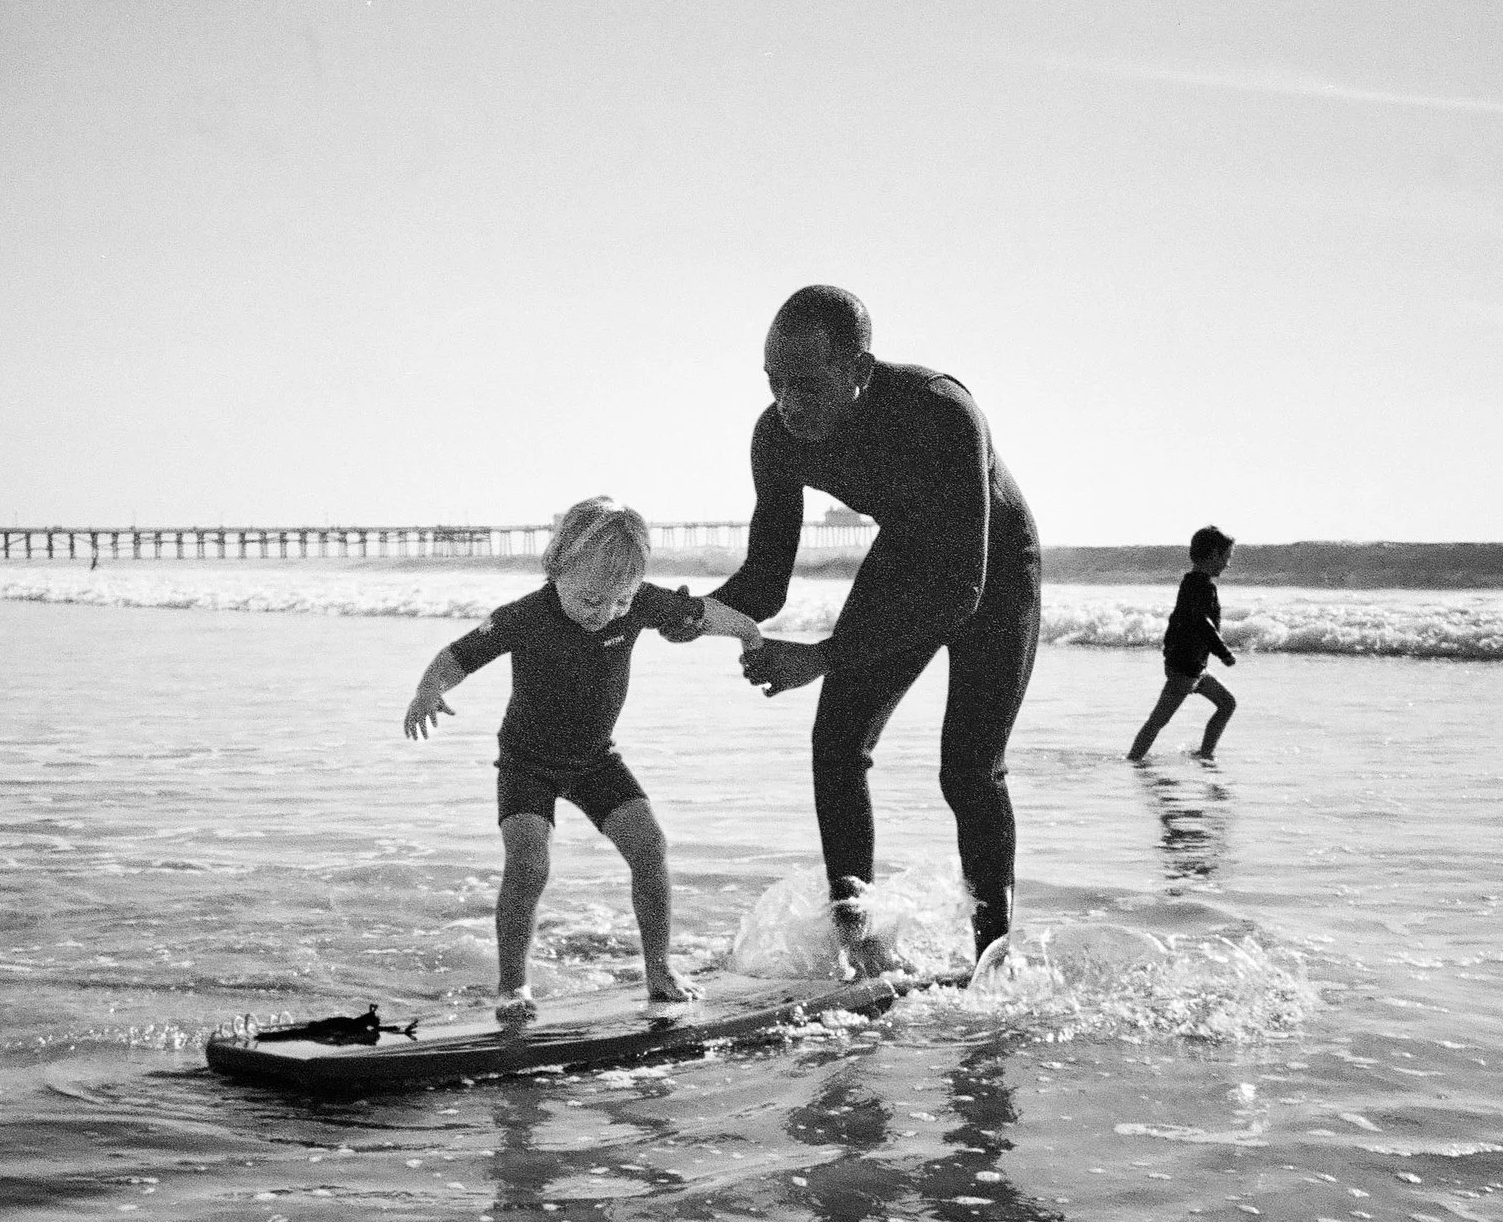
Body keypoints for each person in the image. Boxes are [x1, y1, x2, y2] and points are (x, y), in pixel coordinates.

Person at [673, 285, 1041, 975]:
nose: (787, 403)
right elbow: (766, 581)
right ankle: (858, 946)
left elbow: (962, 588)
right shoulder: (776, 438)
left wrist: (820, 656)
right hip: (907, 554)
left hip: (993, 569)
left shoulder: (941, 409)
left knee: (968, 769)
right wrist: (689, 612)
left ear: (859, 372)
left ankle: (994, 960)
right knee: (836, 741)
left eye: (807, 384)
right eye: (775, 383)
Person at [404, 496, 761, 1017]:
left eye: (620, 601)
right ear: (558, 569)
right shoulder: (525, 616)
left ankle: (659, 970)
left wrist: (748, 634)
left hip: (595, 760)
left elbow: (706, 613)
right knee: (528, 863)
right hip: (528, 763)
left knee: (650, 847)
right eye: (593, 599)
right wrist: (428, 689)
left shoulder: (638, 604)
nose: (606, 613)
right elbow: (457, 656)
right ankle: (512, 987)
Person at [1127, 526, 1238, 763]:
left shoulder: (1192, 583)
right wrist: (1223, 652)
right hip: (1186, 670)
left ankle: (1205, 753)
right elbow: (1202, 623)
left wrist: (1170, 655)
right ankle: (1133, 760)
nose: (1228, 564)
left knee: (1227, 704)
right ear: (1213, 555)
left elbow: (1175, 621)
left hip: (1193, 667)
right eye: (1226, 557)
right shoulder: (1201, 587)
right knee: (1158, 720)